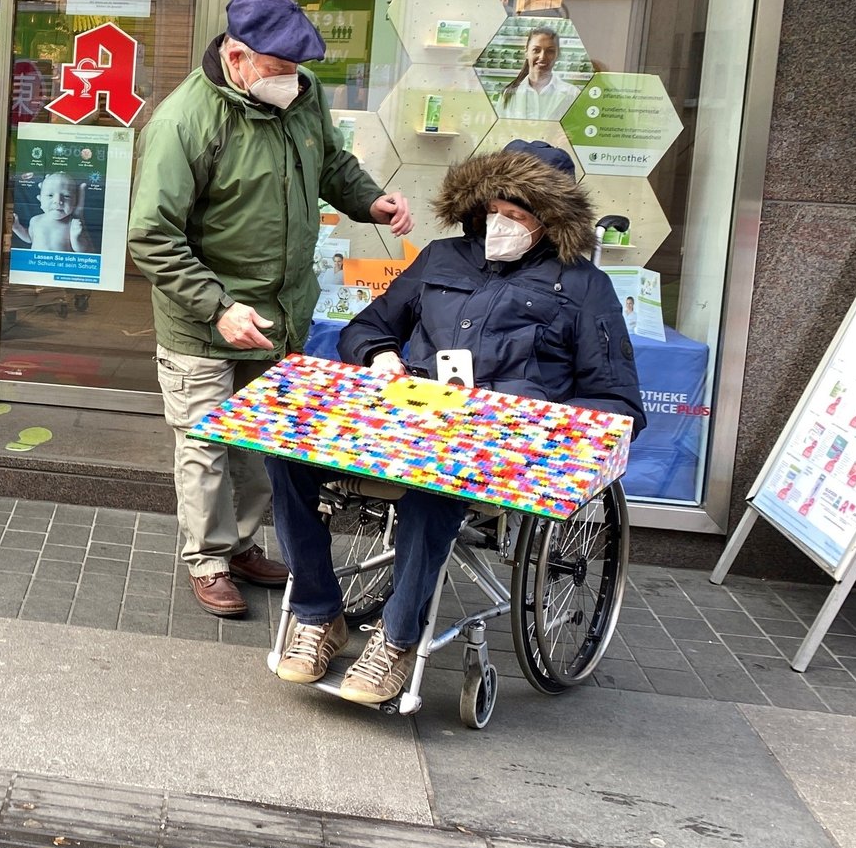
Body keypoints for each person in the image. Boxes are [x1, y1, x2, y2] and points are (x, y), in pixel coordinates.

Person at [268, 141, 646, 703]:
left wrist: (546, 433)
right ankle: (319, 613)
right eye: (494, 210)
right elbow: (366, 326)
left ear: (549, 222)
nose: (500, 224)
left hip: (496, 442)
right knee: (285, 454)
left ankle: (396, 639)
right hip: (411, 413)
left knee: (435, 486)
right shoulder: (442, 258)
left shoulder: (584, 287)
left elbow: (616, 400)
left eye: (516, 216)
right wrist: (380, 356)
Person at [128, 0, 414, 619]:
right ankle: (207, 560)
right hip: (202, 319)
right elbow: (151, 237)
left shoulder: (300, 99)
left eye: (296, 67)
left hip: (277, 312)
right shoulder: (184, 122)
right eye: (279, 68)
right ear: (237, 58)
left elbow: (332, 165)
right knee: (205, 443)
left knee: (261, 438)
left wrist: (370, 200)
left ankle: (241, 547)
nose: (292, 79)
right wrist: (217, 306)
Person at [494, 26, 579, 120]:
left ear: (557, 54)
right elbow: (499, 131)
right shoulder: (508, 94)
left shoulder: (573, 94)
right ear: (526, 52)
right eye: (536, 50)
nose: (542, 56)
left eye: (550, 51)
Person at [23, 172, 89, 253]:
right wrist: (16, 228)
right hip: (36, 263)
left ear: (75, 202)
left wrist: (76, 237)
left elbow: (81, 250)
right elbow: (30, 239)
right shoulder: (35, 220)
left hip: (60, 263)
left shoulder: (72, 224)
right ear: (40, 199)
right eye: (50, 195)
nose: (58, 201)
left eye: (66, 196)